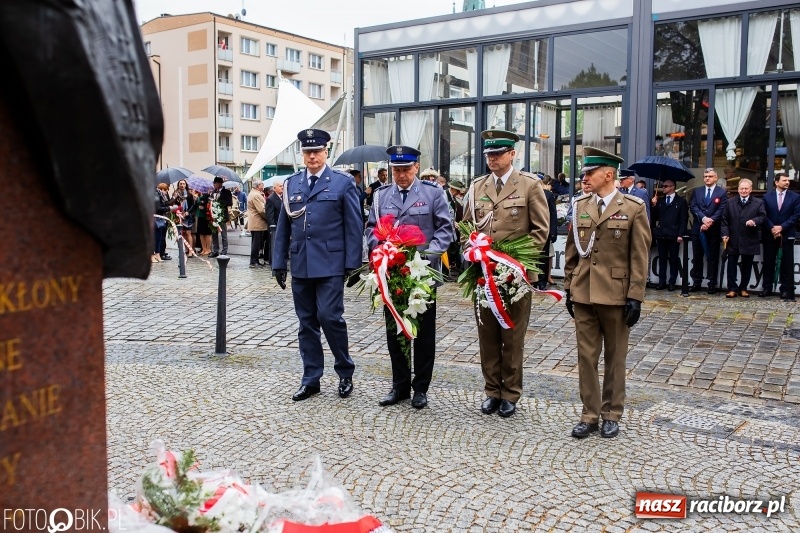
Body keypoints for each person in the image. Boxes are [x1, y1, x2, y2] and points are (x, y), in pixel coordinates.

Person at [563, 147, 651, 439]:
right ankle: (589, 414)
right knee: (586, 357)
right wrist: (568, 287)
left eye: (590, 172)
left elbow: (639, 256)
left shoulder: (633, 208)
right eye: (585, 172)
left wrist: (635, 296)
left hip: (616, 294)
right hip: (584, 292)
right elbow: (572, 252)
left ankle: (611, 413)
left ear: (608, 174)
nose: (585, 177)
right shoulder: (580, 206)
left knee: (615, 357)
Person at [462, 129, 549, 418]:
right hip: (483, 275)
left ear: (513, 154)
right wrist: (473, 253)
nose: (493, 159)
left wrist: (517, 264)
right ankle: (492, 391)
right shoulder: (476, 187)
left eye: (498, 153)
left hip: (516, 277)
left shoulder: (529, 186)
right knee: (487, 335)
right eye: (489, 154)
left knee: (512, 337)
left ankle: (510, 393)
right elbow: (466, 229)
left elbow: (540, 231)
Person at [272, 128, 363, 401]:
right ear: (303, 155)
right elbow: (283, 228)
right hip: (301, 263)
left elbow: (353, 226)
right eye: (307, 152)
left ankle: (345, 370)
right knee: (306, 322)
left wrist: (353, 264)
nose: (312, 156)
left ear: (326, 152)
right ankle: (311, 378)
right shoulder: (292, 184)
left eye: (317, 151)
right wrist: (279, 263)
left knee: (329, 317)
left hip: (331, 263)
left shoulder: (342, 183)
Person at [366, 145, 453, 410]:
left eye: (406, 169)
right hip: (392, 275)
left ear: (416, 167)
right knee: (395, 332)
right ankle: (400, 385)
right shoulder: (381, 196)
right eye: (396, 170)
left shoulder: (432, 193)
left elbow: (445, 230)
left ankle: (421, 388)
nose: (401, 175)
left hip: (422, 275)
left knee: (424, 333)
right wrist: (380, 251)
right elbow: (371, 229)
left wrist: (426, 257)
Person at [720, 179, 765, 298]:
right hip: (733, 239)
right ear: (738, 189)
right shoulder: (730, 202)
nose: (744, 191)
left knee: (747, 266)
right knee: (731, 265)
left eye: (746, 189)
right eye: (741, 188)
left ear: (750, 189)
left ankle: (743, 288)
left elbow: (762, 216)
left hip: (749, 239)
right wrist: (725, 234)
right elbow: (724, 220)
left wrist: (754, 221)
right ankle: (732, 289)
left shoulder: (758, 203)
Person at [760, 172, 800, 300]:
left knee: (785, 263)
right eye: (784, 180)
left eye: (788, 180)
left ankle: (785, 289)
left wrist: (781, 227)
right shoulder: (767, 197)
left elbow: (796, 215)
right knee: (768, 261)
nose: (787, 182)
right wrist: (772, 228)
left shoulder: (795, 197)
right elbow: (763, 214)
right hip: (770, 234)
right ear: (776, 182)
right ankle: (767, 288)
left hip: (786, 234)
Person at [689, 168, 727, 293]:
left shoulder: (722, 192)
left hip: (713, 231)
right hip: (698, 229)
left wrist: (710, 221)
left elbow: (722, 209)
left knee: (712, 258)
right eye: (705, 176)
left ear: (716, 177)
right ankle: (696, 282)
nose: (707, 178)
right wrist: (704, 218)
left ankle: (712, 283)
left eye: (710, 176)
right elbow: (693, 206)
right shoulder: (697, 191)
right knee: (697, 257)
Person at [650, 179, 688, 290]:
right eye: (663, 186)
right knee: (662, 259)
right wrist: (654, 205)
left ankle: (672, 282)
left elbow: (683, 220)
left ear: (672, 187)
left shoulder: (681, 202)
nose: (663, 188)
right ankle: (661, 282)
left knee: (673, 259)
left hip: (674, 235)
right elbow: (655, 217)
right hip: (662, 234)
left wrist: (681, 234)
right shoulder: (661, 201)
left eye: (666, 186)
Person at [246, 179, 269, 268]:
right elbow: (261, 210)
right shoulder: (256, 195)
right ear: (258, 185)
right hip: (258, 223)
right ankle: (254, 261)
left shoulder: (254, 193)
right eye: (262, 184)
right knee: (257, 243)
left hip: (256, 222)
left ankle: (255, 260)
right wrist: (269, 218)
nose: (263, 186)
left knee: (256, 243)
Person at [209, 176, 233, 257]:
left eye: (215, 183)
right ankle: (215, 250)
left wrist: (219, 202)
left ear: (220, 184)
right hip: (213, 216)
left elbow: (230, 202)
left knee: (223, 234)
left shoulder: (226, 192)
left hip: (222, 215)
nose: (214, 185)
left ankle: (224, 250)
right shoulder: (213, 192)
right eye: (214, 183)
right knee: (214, 233)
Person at [265, 181, 283, 264]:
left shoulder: (282, 197)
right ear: (274, 188)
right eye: (280, 186)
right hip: (275, 227)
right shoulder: (271, 199)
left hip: (281, 226)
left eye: (282, 186)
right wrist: (272, 228)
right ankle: (273, 263)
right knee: (273, 246)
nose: (282, 187)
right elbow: (269, 215)